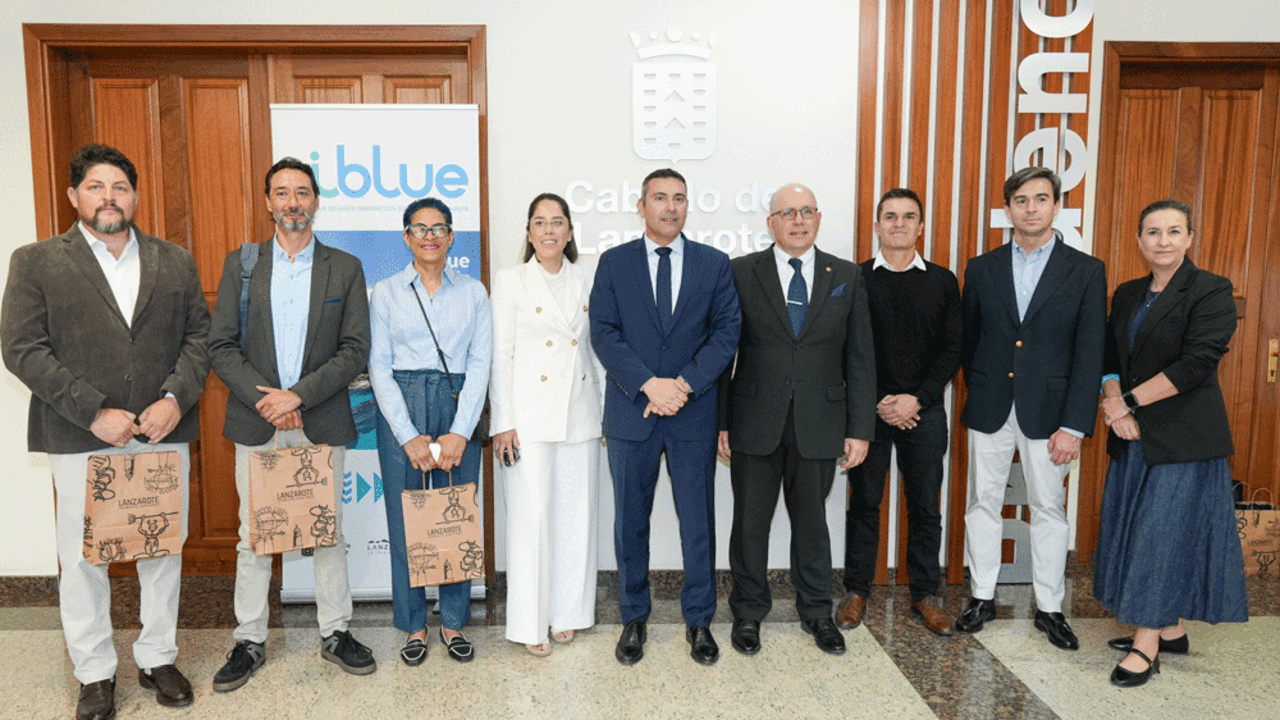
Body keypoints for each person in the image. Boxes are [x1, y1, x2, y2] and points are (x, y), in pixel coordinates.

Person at [1, 143, 209, 719]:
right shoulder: (36, 260)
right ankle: (94, 673)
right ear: (74, 196)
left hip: (160, 433)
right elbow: (21, 348)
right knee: (83, 557)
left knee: (161, 549)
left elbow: (199, 338)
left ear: (134, 196)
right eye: (96, 187)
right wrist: (93, 410)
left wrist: (173, 399)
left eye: (119, 187)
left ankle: (157, 657)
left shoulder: (174, 259)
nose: (109, 197)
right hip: (80, 436)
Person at [208, 157, 375, 690]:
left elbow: (355, 350)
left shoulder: (344, 267)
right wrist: (270, 401)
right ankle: (249, 638)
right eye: (281, 193)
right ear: (267, 203)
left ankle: (336, 633)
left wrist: (297, 396)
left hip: (318, 418)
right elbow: (221, 345)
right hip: (258, 421)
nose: (292, 202)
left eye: (302, 192)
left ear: (316, 200)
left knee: (326, 531)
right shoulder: (243, 264)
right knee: (253, 536)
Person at [590, 168, 741, 666]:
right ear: (641, 206)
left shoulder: (714, 264)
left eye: (679, 198)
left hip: (692, 414)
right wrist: (649, 384)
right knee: (630, 523)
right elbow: (604, 332)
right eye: (660, 198)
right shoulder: (613, 263)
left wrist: (683, 385)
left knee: (698, 524)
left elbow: (725, 333)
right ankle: (634, 618)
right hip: (632, 413)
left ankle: (699, 621)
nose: (670, 207)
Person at [1094, 199, 1247, 687]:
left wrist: (1128, 403)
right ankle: (1172, 628)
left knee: (1160, 538)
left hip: (1183, 440)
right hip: (1132, 435)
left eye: (1173, 231)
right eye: (1153, 232)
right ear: (1139, 240)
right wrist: (1114, 399)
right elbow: (1109, 355)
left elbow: (1197, 363)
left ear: (1189, 238)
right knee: (1136, 531)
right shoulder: (1128, 292)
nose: (1163, 240)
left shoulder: (1211, 290)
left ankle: (1147, 645)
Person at [717, 183, 875, 656]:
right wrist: (720, 421)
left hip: (820, 422)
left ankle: (815, 613)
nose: (798, 220)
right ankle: (748, 613)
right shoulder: (741, 272)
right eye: (787, 212)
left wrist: (859, 428)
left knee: (812, 525)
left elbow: (860, 357)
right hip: (752, 419)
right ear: (771, 223)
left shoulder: (845, 274)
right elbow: (725, 351)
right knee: (749, 524)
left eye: (807, 211)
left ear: (819, 218)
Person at [957, 166, 1106, 649]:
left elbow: (1090, 353)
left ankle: (1050, 607)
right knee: (983, 504)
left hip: (1052, 415)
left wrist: (1075, 425)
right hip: (990, 407)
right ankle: (981, 596)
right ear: (1008, 210)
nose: (1031, 208)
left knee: (1049, 508)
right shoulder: (981, 268)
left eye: (1041, 199)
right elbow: (969, 339)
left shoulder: (1085, 270)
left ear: (1056, 206)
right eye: (1021, 200)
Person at [369, 196, 491, 664]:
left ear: (451, 236)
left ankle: (455, 622)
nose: (430, 237)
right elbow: (378, 366)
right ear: (406, 237)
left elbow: (481, 363)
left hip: (458, 402)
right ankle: (414, 625)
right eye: (420, 229)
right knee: (406, 521)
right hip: (401, 403)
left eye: (439, 228)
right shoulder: (387, 291)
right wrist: (407, 434)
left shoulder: (474, 292)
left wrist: (461, 431)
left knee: (454, 518)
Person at [838, 188, 962, 636]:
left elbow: (952, 349)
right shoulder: (854, 279)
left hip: (924, 412)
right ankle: (856, 591)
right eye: (889, 216)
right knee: (864, 503)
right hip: (868, 411)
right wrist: (877, 401)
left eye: (909, 216)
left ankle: (925, 595)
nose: (898, 224)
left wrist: (918, 399)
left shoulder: (943, 281)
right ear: (876, 226)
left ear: (921, 227)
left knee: (925, 506)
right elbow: (844, 347)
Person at [490, 193, 604, 656]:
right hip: (529, 419)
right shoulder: (511, 280)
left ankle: (569, 613)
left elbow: (596, 351)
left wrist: (605, 415)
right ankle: (529, 623)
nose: (550, 230)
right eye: (540, 222)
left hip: (579, 412)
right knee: (530, 521)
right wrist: (503, 422)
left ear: (570, 232)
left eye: (558, 222)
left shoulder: (587, 278)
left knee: (577, 517)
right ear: (529, 232)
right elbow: (502, 355)